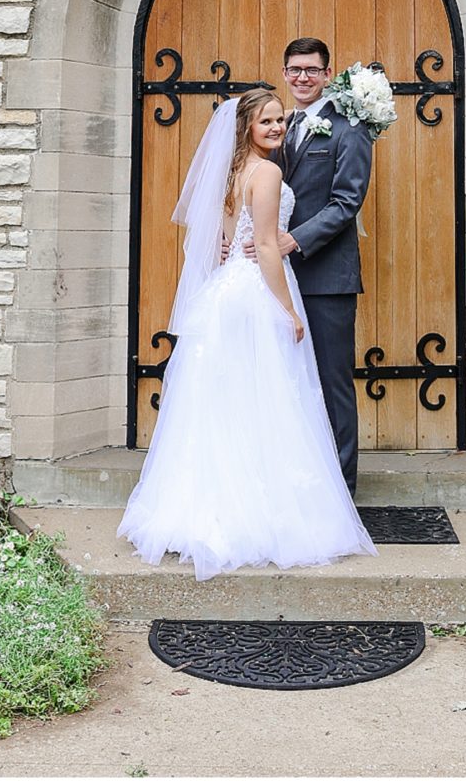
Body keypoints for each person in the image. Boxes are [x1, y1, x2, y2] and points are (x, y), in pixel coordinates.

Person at [117, 88, 375, 581]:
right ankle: (264, 513)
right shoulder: (270, 172)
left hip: (226, 293)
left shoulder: (234, 170)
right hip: (256, 293)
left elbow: (223, 241)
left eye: (280, 120)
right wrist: (287, 311)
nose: (277, 128)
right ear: (247, 128)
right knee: (270, 399)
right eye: (267, 122)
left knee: (229, 402)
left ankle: (210, 506)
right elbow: (266, 247)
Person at [274, 37, 373, 496]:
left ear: (327, 74)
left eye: (312, 70)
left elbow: (346, 202)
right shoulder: (283, 123)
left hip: (327, 277)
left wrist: (294, 240)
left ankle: (341, 489)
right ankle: (299, 479)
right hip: (279, 279)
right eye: (294, 70)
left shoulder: (348, 126)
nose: (302, 78)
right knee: (289, 380)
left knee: (333, 383)